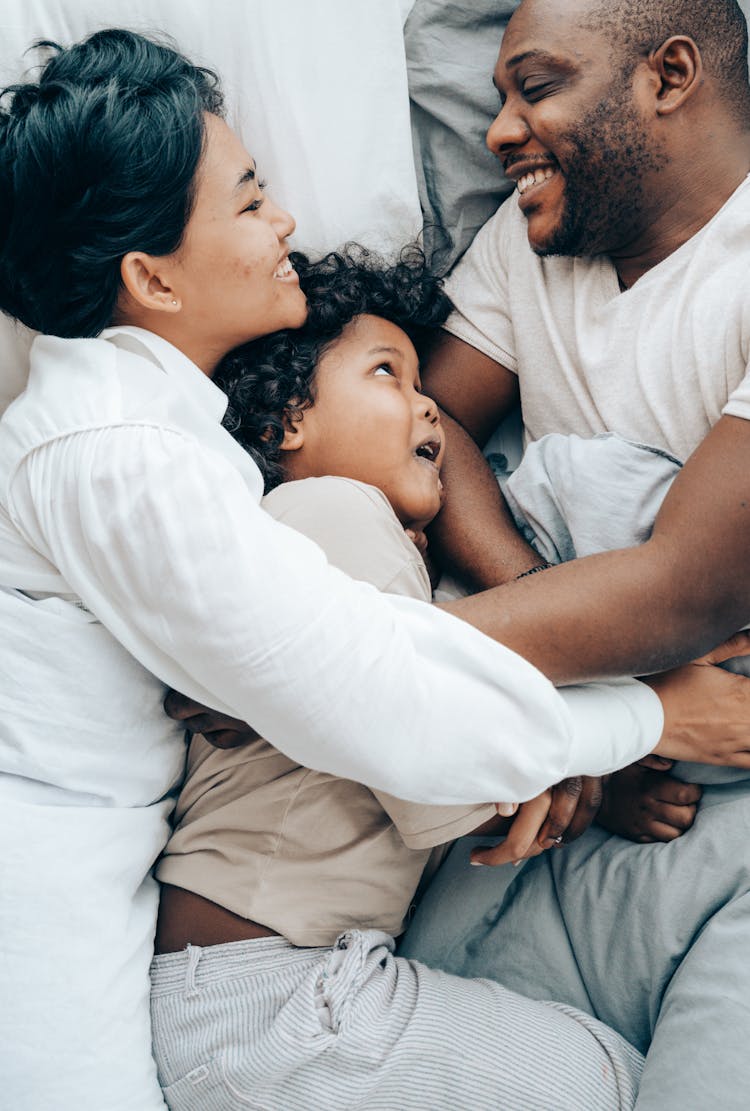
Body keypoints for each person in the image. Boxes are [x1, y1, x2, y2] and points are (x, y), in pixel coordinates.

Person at [3, 26, 730, 1110]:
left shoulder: (175, 443)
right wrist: (647, 721)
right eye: (249, 200)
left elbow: (346, 669)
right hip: (101, 994)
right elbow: (376, 698)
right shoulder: (118, 460)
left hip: (226, 970)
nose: (286, 216)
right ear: (150, 276)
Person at [149, 248, 658, 1110]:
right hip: (274, 1001)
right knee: (604, 1081)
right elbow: (434, 777)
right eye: (387, 373)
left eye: (422, 378)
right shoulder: (329, 512)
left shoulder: (337, 546)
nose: (427, 403)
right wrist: (644, 724)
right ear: (284, 423)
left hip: (265, 998)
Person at [396, 2, 750, 1108]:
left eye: (535, 88)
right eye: (498, 95)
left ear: (671, 73)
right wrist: (571, 645)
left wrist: (346, 661)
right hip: (586, 760)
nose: (500, 132)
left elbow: (685, 587)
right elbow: (424, 422)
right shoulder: (529, 237)